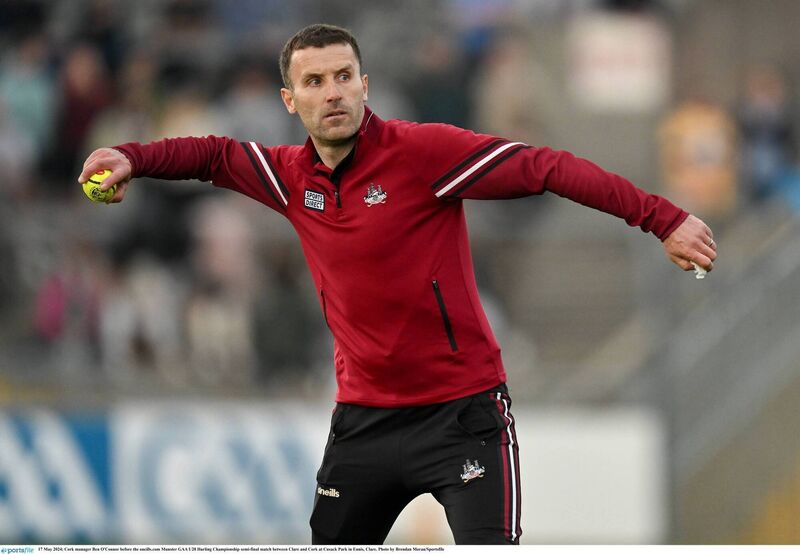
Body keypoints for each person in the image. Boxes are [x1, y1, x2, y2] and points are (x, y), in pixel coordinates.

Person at [78, 23, 717, 545]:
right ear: (289, 99)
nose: (332, 92)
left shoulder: (422, 153)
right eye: (314, 81)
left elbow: (546, 166)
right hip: (364, 422)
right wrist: (132, 157)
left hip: (463, 415)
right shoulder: (288, 176)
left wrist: (662, 218)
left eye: (343, 77)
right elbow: (213, 155)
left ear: (365, 84)